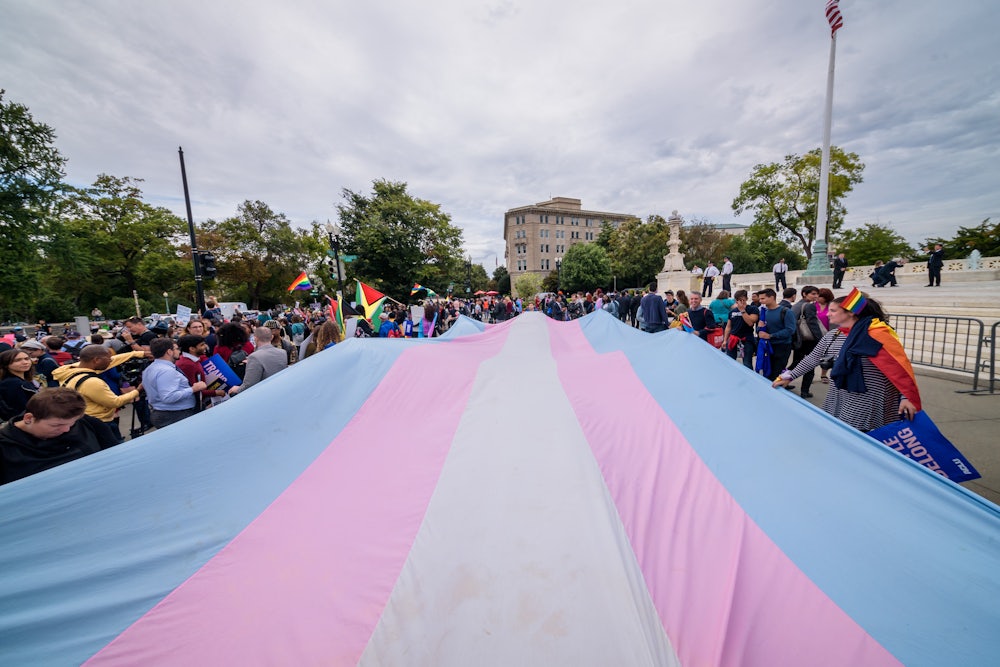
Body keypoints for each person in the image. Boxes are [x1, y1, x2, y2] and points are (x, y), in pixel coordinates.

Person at [773, 291, 920, 432]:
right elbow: (813, 358)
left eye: (833, 311)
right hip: (840, 394)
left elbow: (900, 369)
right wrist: (790, 376)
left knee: (863, 438)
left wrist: (906, 396)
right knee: (840, 433)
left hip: (869, 398)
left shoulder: (878, 334)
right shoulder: (834, 335)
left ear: (850, 313)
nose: (828, 314)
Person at [0, 388, 119, 485]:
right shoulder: (4, 447)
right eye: (56, 425)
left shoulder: (89, 424)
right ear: (29, 418)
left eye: (72, 423)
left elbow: (114, 458)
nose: (66, 429)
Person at [52, 345, 145, 441]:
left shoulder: (67, 370)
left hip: (85, 421)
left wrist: (136, 354)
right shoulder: (92, 382)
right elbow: (114, 402)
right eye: (108, 359)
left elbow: (111, 360)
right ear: (96, 360)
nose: (111, 361)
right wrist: (137, 391)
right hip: (101, 423)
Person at [141, 338, 207, 430]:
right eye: (176, 349)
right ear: (169, 352)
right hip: (175, 414)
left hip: (167, 413)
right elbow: (168, 397)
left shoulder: (150, 369)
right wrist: (193, 389)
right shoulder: (166, 371)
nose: (179, 351)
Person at [229, 328, 288, 395]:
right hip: (280, 391)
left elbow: (249, 385)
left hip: (264, 394)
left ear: (255, 338)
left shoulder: (254, 357)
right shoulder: (283, 353)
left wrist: (236, 389)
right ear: (272, 337)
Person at [790, 286, 825, 399]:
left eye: (817, 294)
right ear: (804, 294)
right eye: (813, 294)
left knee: (795, 364)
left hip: (799, 340)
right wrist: (821, 340)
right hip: (809, 340)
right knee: (810, 367)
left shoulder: (795, 306)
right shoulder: (809, 306)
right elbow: (813, 324)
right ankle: (805, 391)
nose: (815, 296)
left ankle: (781, 378)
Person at [756, 288, 796, 381]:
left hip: (782, 346)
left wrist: (771, 336)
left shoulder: (786, 311)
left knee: (777, 372)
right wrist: (759, 328)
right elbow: (760, 330)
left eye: (763, 298)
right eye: (760, 299)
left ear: (772, 297)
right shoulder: (763, 312)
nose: (761, 301)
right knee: (767, 372)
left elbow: (790, 330)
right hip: (767, 347)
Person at [723, 290, 759, 369]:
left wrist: (743, 310)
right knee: (730, 361)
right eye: (739, 300)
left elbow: (750, 323)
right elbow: (728, 327)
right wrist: (725, 340)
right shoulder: (732, 312)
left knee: (747, 363)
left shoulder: (752, 309)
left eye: (743, 299)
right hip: (733, 338)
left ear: (746, 299)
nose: (741, 302)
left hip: (746, 338)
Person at [0, 349, 39, 422]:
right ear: (6, 364)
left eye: (27, 359)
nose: (25, 362)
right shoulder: (13, 383)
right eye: (17, 360)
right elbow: (20, 409)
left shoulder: (24, 380)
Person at [815, 288, 835, 384]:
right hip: (815, 334)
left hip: (829, 333)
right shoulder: (812, 306)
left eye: (820, 296)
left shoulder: (831, 306)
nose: (817, 298)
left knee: (827, 355)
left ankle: (823, 374)